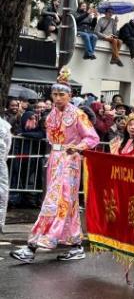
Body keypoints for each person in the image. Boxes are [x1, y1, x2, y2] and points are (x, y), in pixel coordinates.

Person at [10, 69, 99, 263]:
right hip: (54, 159)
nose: (58, 98)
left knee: (56, 201)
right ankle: (75, 245)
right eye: (55, 94)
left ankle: (33, 245)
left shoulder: (78, 114)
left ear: (70, 95)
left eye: (62, 94)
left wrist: (77, 147)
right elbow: (49, 138)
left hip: (70, 161)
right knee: (65, 203)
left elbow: (93, 137)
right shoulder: (50, 116)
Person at [0, 117, 11, 232]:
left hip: (1, 164)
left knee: (2, 193)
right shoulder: (5, 125)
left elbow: (8, 145)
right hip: (1, 163)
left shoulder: (5, 125)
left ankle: (0, 223)